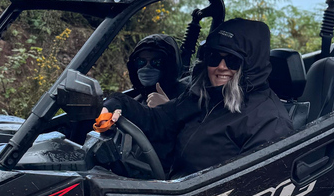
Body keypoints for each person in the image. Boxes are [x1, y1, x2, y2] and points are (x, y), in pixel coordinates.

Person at [103, 19, 293, 178]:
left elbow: (249, 190)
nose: (221, 66)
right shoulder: (204, 95)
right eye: (213, 57)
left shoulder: (269, 122)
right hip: (172, 187)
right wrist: (117, 103)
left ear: (250, 67)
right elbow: (159, 121)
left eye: (232, 60)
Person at [127, 34, 184, 108]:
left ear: (169, 66)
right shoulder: (136, 102)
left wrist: (168, 107)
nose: (146, 67)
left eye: (156, 62)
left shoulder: (189, 97)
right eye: (141, 62)